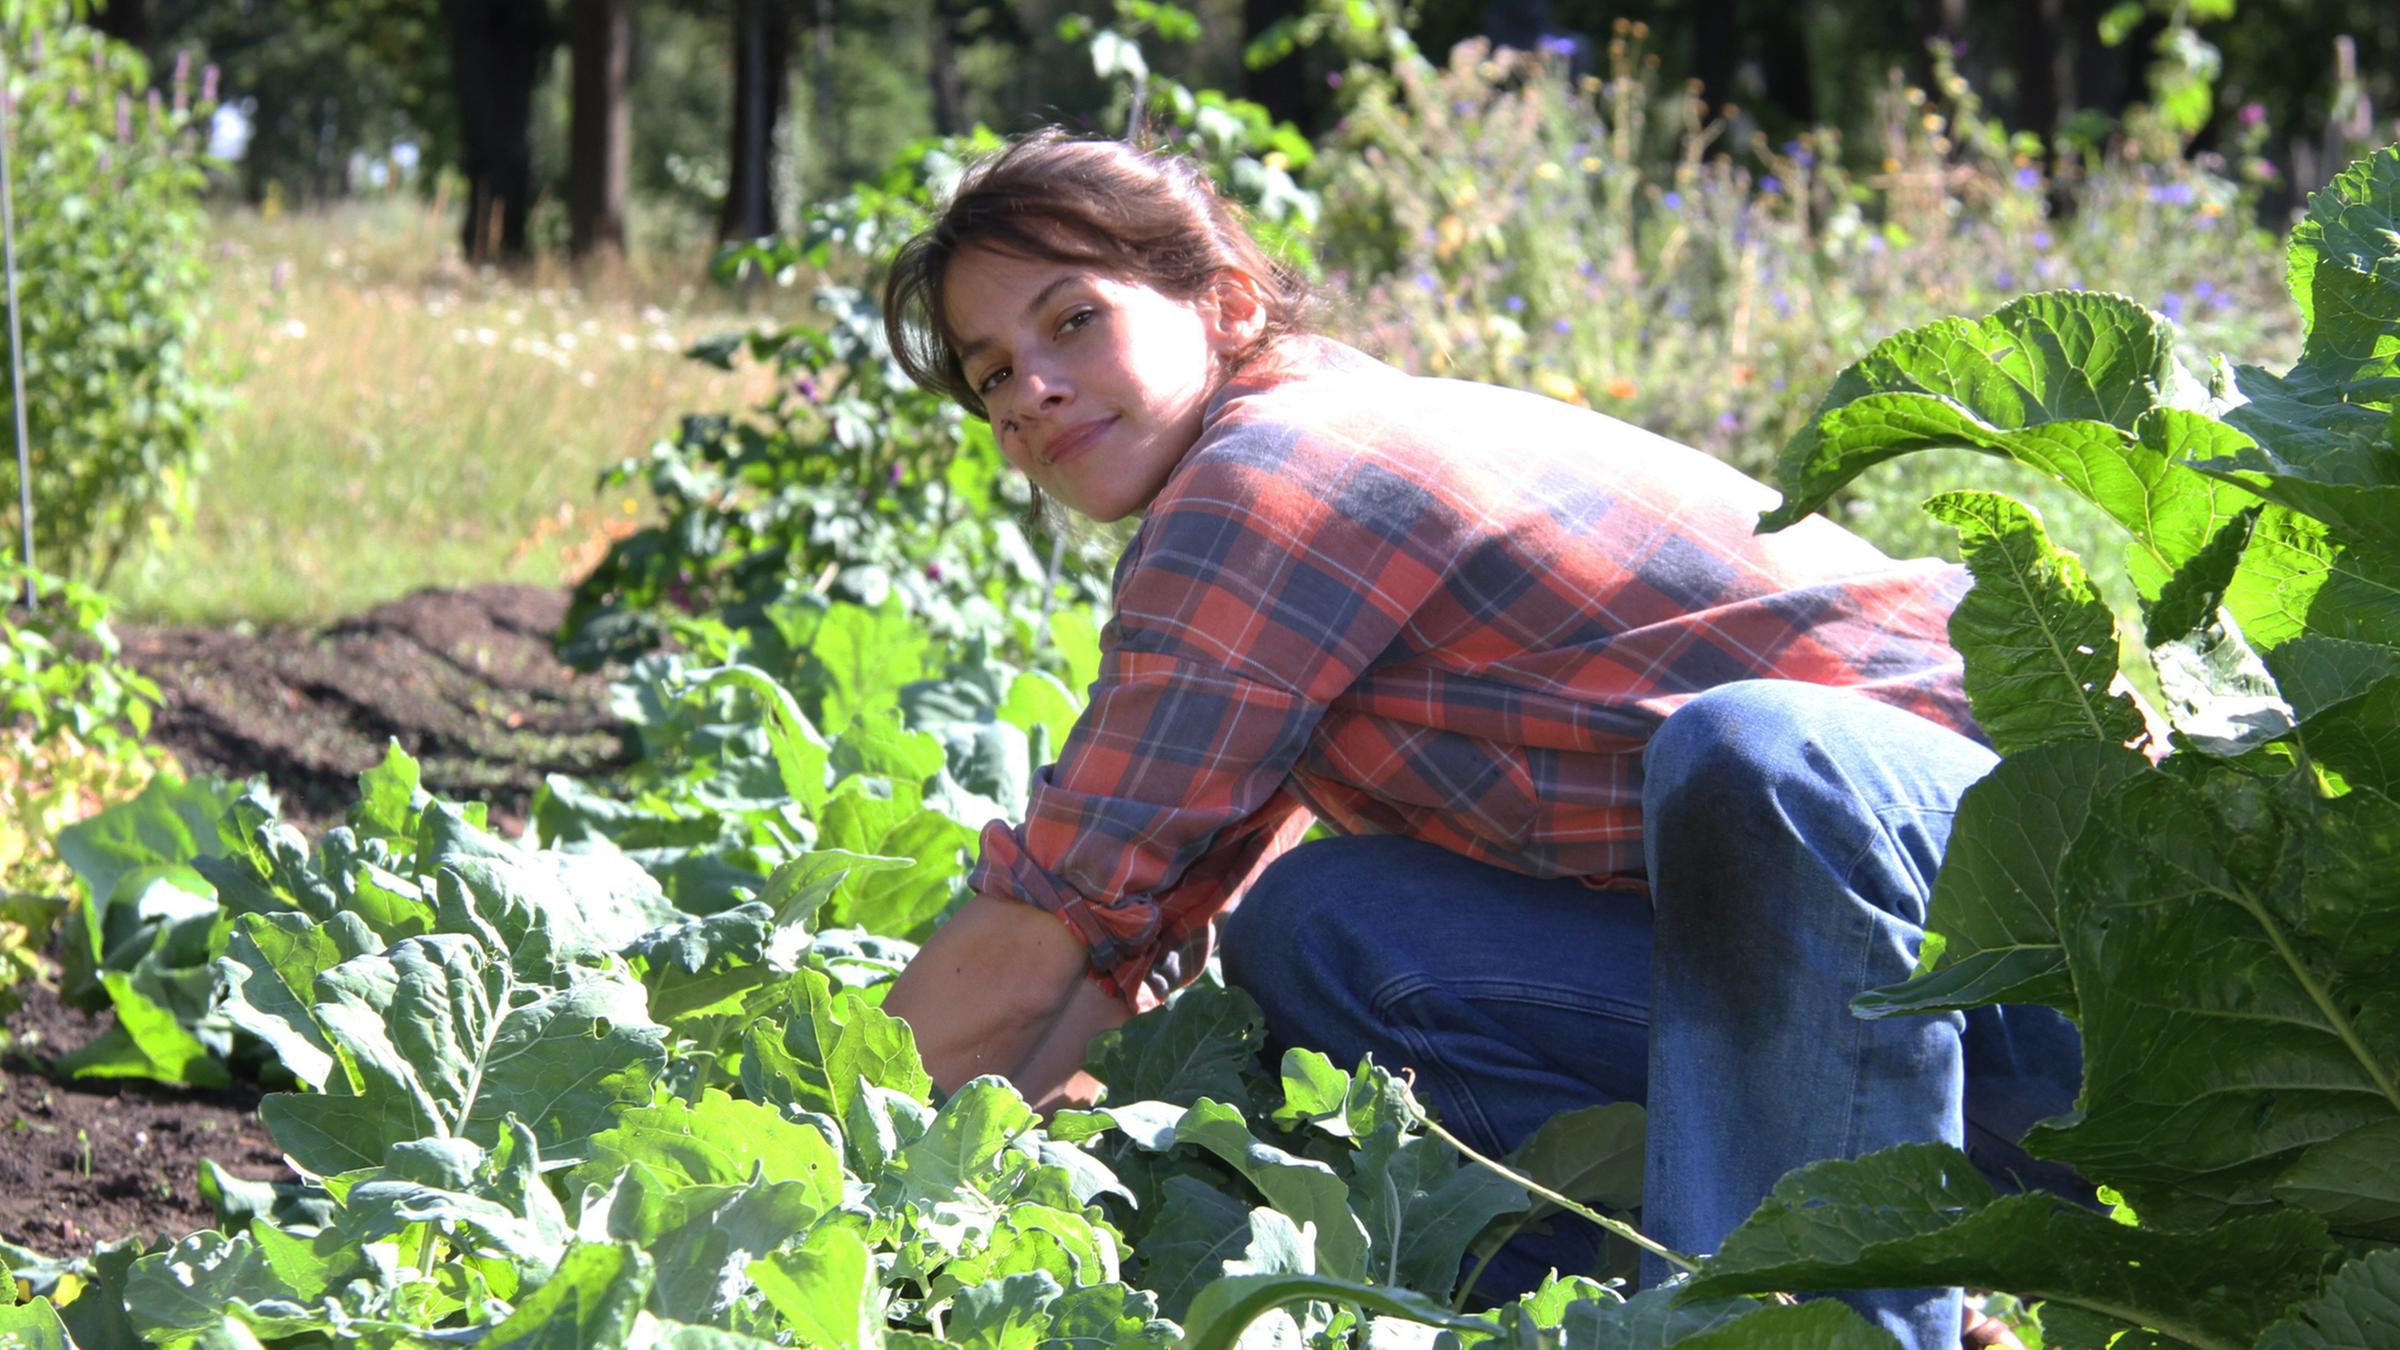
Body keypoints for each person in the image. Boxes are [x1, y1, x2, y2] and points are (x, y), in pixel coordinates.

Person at [874, 129, 2082, 1350]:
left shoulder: (1281, 473)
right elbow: (1122, 935)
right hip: (1893, 1017)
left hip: (2079, 962)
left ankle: (1833, 1326)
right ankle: (1633, 1315)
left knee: (1755, 756)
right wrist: (987, 1186)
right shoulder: (1269, 488)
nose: (1031, 389)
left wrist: (821, 1128)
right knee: (1321, 927)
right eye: (992, 373)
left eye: (1073, 320)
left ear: (1226, 305)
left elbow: (1044, 923)